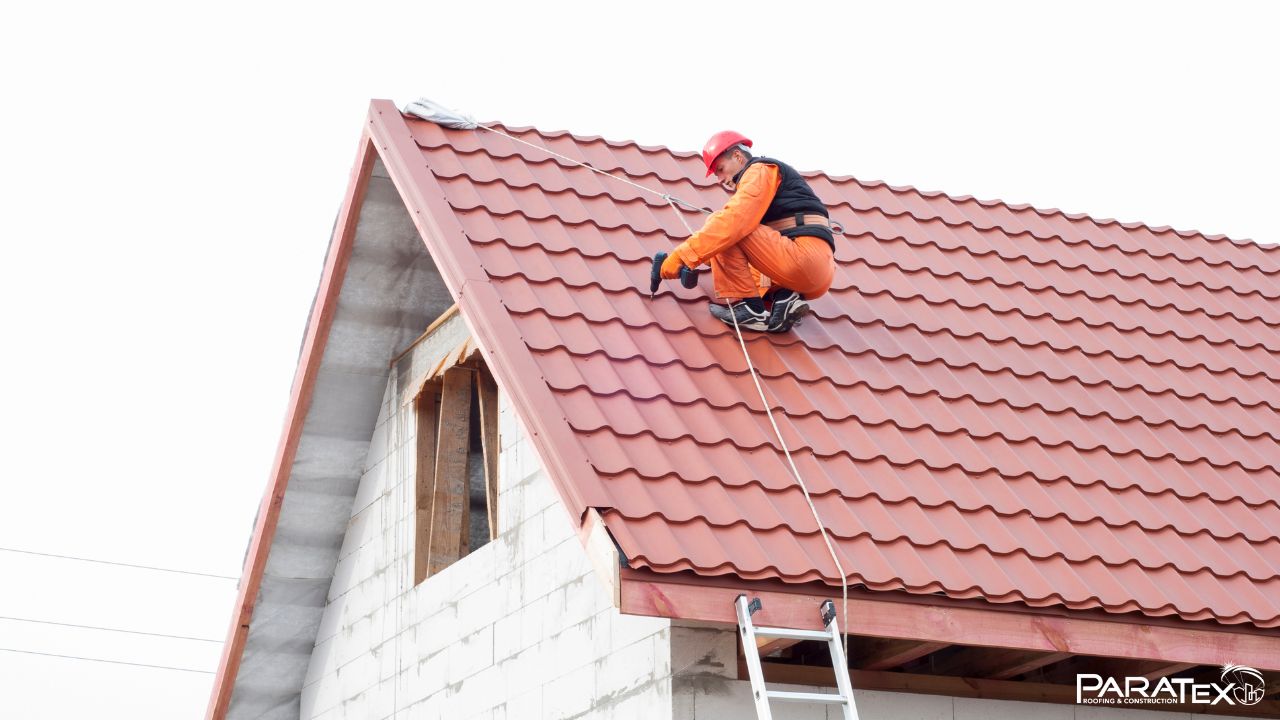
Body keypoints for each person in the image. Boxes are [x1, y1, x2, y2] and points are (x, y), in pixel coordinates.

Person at [660, 131, 836, 332]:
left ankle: (751, 309)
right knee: (725, 236)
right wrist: (698, 262)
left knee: (724, 225)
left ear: (737, 156)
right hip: (816, 272)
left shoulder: (759, 169)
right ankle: (784, 299)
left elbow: (733, 223)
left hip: (802, 259)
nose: (720, 179)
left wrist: (681, 257)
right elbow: (735, 252)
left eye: (720, 169)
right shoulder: (768, 182)